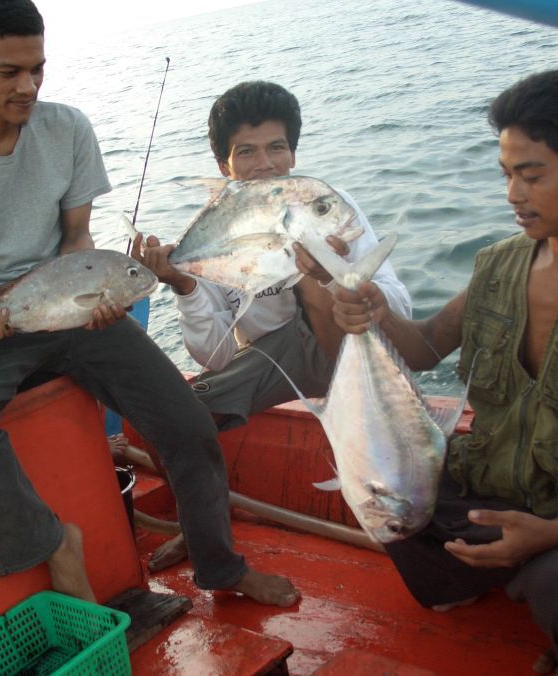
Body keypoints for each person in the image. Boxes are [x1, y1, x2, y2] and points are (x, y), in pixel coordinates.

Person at [0, 0, 298, 608]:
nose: (28, 86)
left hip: (77, 311)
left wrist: (98, 300)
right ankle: (54, 544)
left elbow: (77, 239)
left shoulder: (68, 129)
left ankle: (220, 567)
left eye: (38, 69)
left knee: (189, 427)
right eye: (9, 72)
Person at [331, 69, 558, 675]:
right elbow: (422, 351)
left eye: (532, 175)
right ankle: (477, 575)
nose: (513, 195)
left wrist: (552, 533)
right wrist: (377, 312)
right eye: (506, 175)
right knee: (386, 498)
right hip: (491, 481)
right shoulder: (497, 264)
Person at [131, 80, 412, 571]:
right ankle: (200, 523)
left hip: (348, 351)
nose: (265, 164)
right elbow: (215, 357)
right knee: (175, 419)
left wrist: (336, 280)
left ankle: (400, 505)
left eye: (276, 148)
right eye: (247, 152)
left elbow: (400, 311)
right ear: (225, 167)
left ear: (294, 153)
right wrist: (184, 284)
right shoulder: (214, 227)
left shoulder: (326, 204)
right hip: (271, 361)